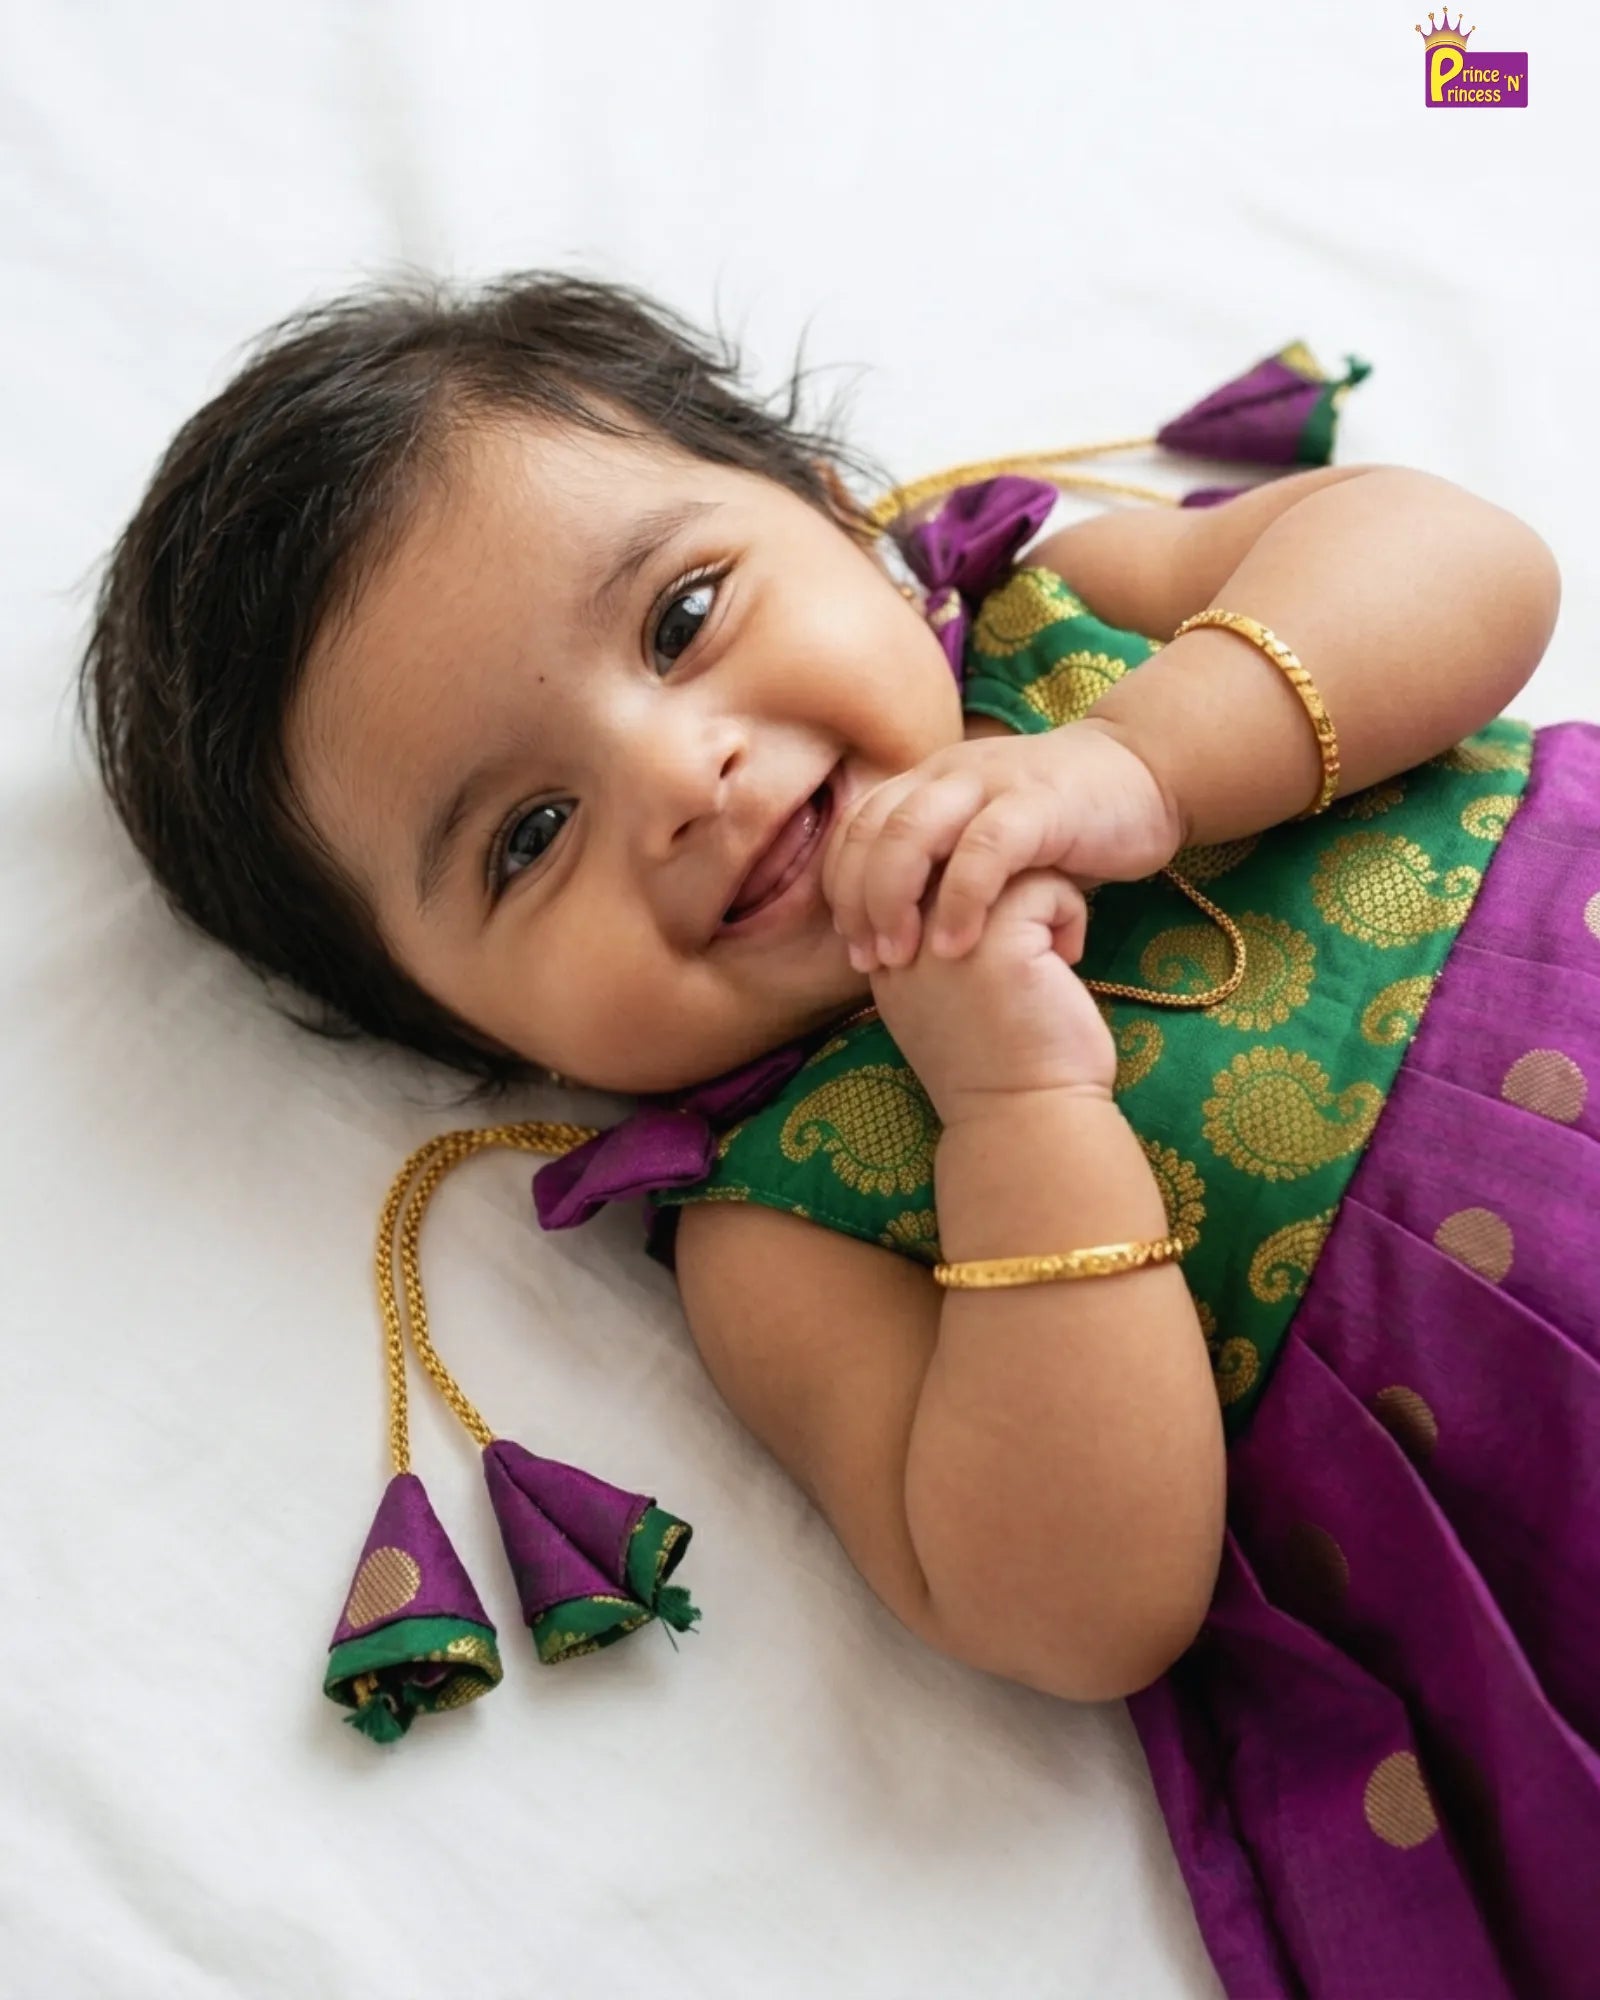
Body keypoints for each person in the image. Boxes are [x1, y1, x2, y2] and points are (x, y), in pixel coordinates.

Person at [80, 270, 1598, 1997]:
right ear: (481, 1037)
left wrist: (1148, 764)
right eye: (528, 837)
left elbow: (1468, 561)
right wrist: (1017, 1111)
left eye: (682, 619)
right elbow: (1076, 1608)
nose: (684, 778)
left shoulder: (1064, 619)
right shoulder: (780, 1217)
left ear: (829, 510)